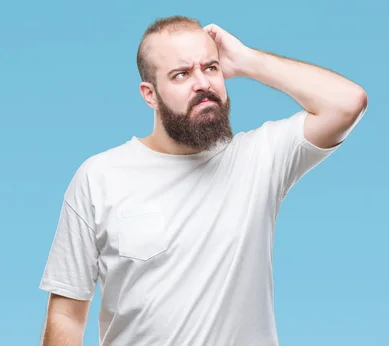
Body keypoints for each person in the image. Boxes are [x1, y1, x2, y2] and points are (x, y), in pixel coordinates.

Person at [38, 15, 367, 346]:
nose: (202, 83)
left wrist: (249, 61)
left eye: (211, 68)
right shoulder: (98, 178)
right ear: (149, 94)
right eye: (181, 74)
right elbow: (65, 314)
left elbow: (347, 103)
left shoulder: (260, 158)